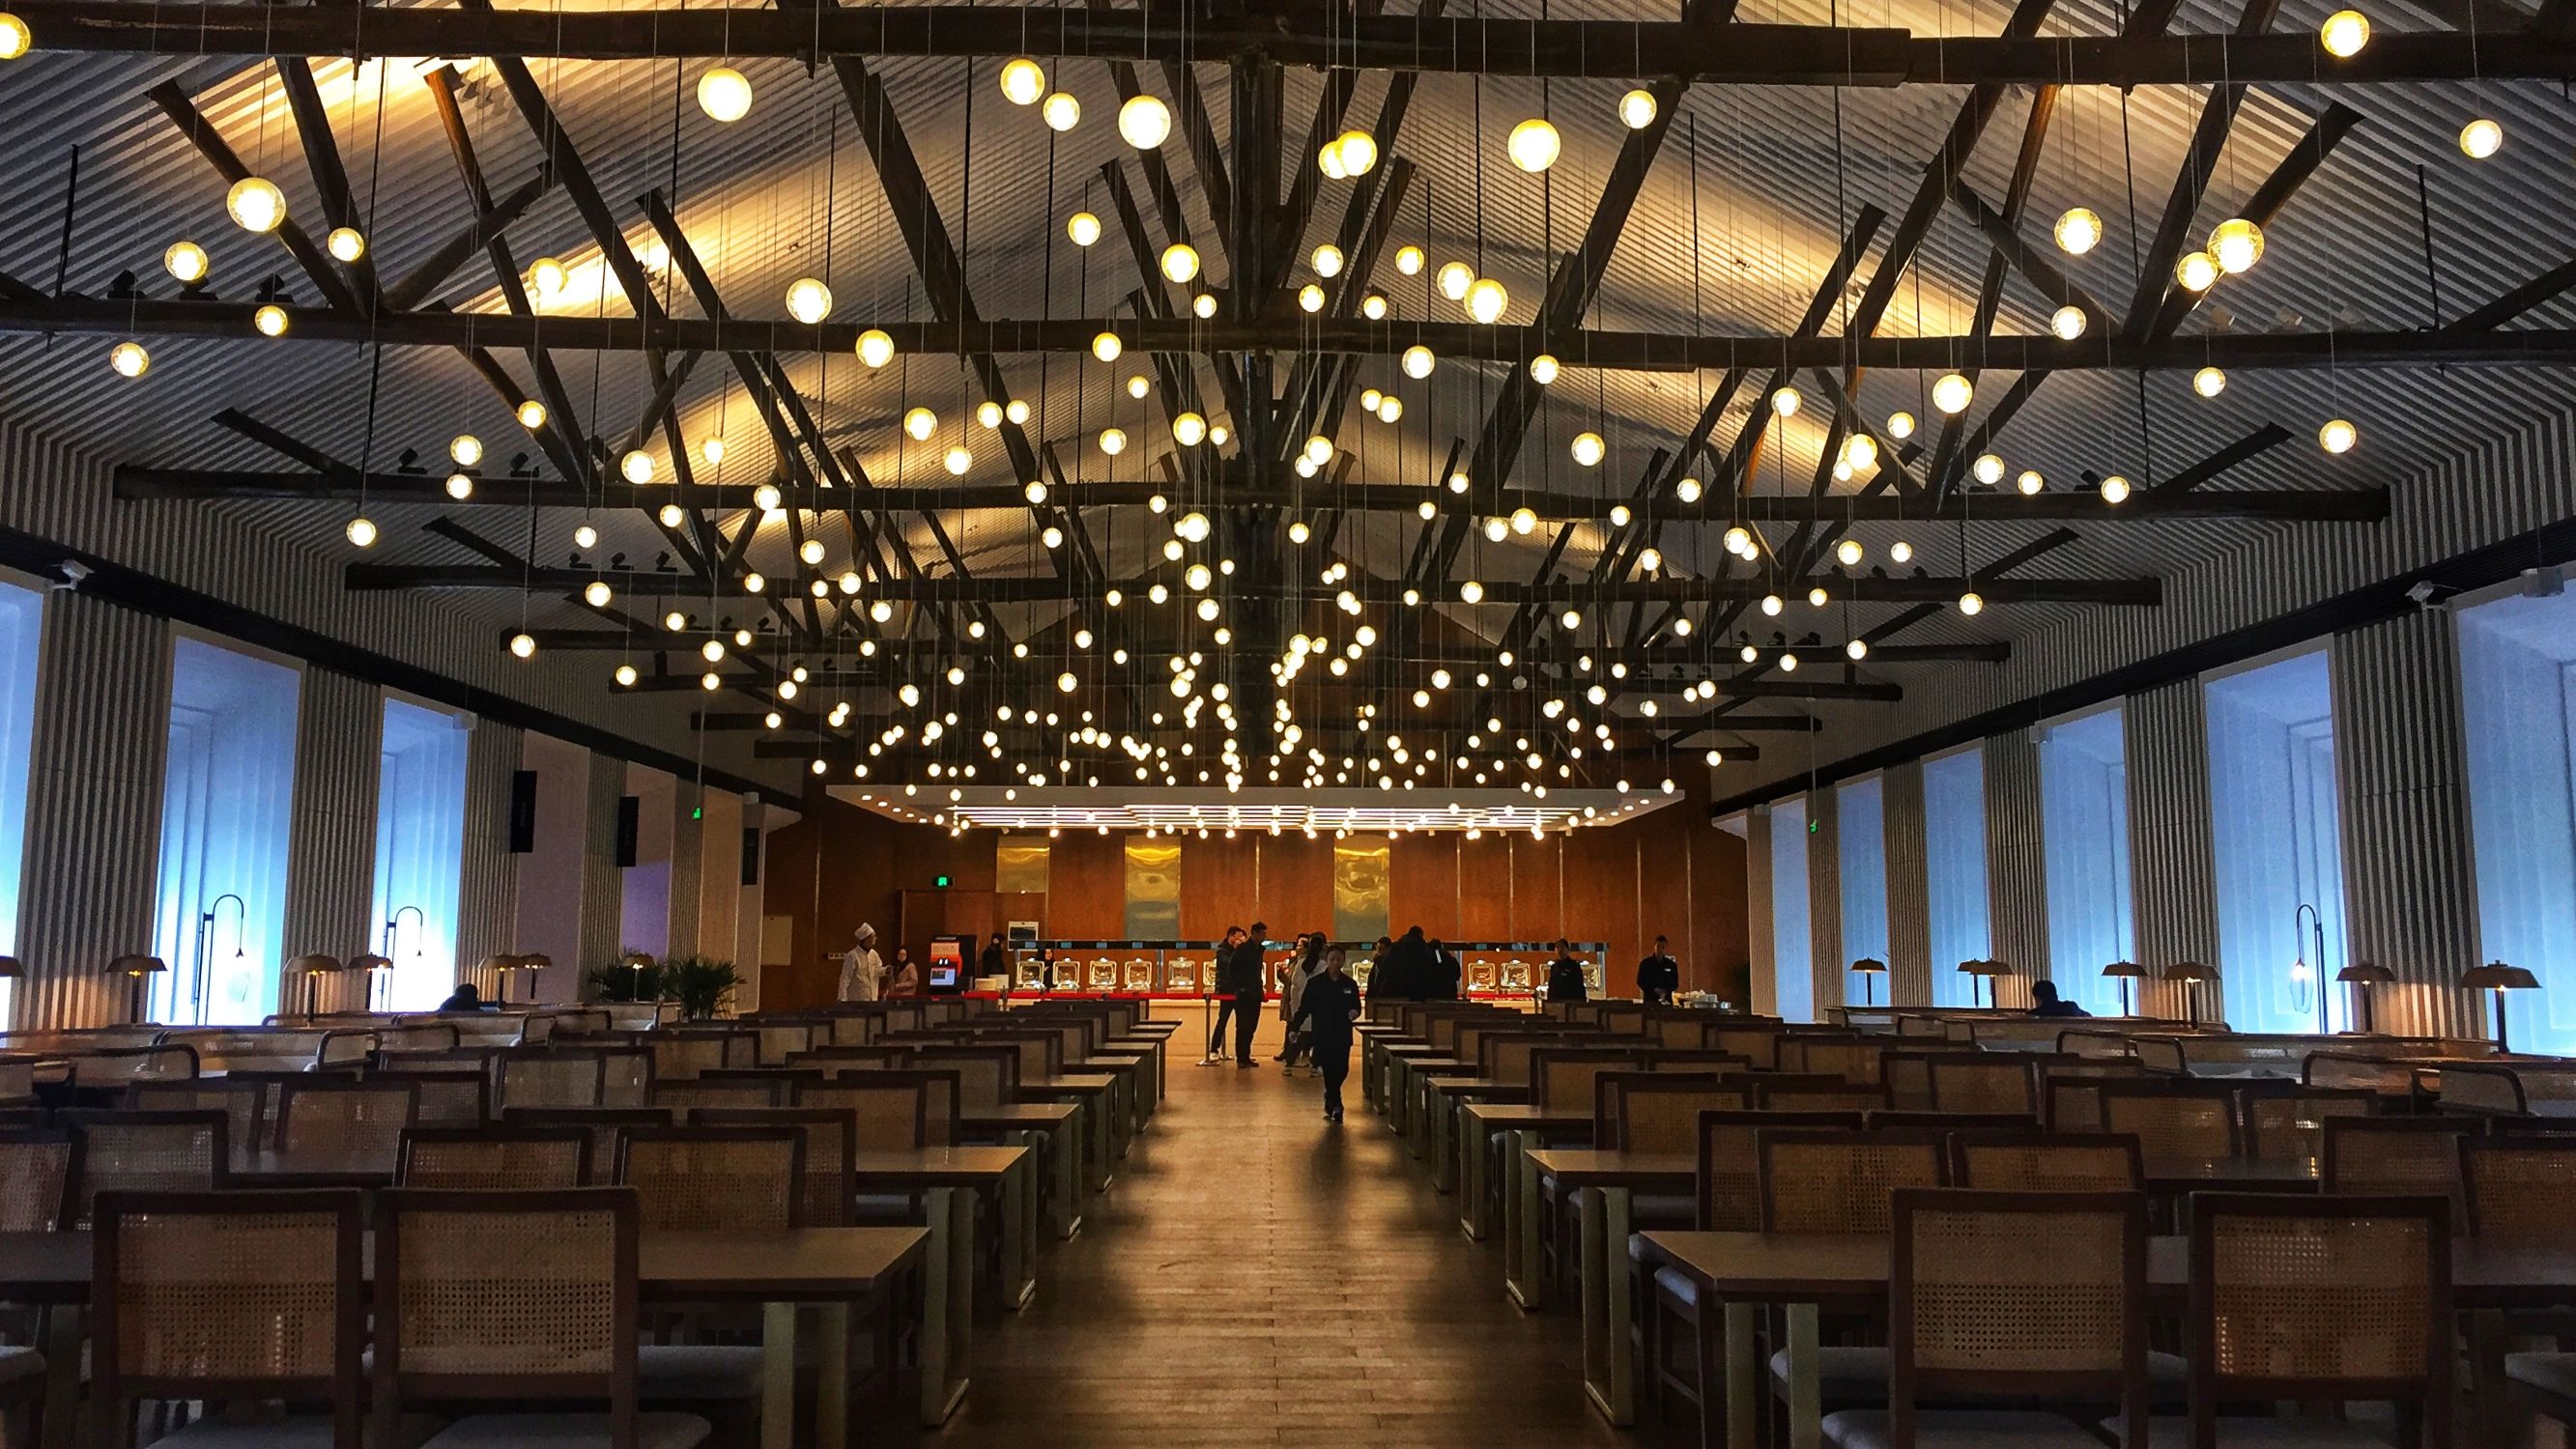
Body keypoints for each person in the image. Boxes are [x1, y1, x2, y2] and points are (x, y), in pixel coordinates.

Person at [1289, 947, 1364, 1122]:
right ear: (1327, 961)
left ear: (1343, 961)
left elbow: (1356, 1006)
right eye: (1332, 959)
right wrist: (1294, 1028)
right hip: (1322, 1033)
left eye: (1339, 959)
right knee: (1329, 1068)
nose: (1335, 963)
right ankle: (1336, 1103)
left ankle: (1331, 1095)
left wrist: (1354, 1012)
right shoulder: (1315, 983)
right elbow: (1304, 1008)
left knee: (1342, 1069)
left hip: (1342, 1032)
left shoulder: (1349, 984)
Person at [1204, 925, 1248, 1063]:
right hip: (1227, 991)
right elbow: (1229, 964)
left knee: (1243, 1023)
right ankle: (1214, 1049)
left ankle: (1243, 1053)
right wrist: (1238, 951)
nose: (1240, 940)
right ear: (1231, 937)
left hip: (1240, 991)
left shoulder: (1241, 951)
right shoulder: (1222, 951)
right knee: (1222, 1020)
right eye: (1238, 937)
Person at [1278, 933, 1325, 1066]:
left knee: (1300, 1034)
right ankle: (1305, 1060)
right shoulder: (1322, 964)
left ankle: (1291, 1061)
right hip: (1311, 1005)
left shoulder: (1300, 964)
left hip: (1300, 1003)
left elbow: (1295, 983)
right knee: (1309, 1035)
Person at [1228, 923, 1270, 1066]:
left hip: (1255, 993)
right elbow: (1232, 968)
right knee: (1243, 1026)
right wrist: (1240, 987)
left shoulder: (1259, 950)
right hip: (1245, 993)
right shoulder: (1243, 949)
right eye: (1263, 934)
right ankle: (1241, 1057)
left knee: (1252, 1026)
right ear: (1255, 933)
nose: (1264, 937)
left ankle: (1246, 1055)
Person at [1372, 925, 1434, 1002]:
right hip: (1417, 993)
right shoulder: (1424, 951)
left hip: (1395, 992)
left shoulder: (1396, 949)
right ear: (1421, 935)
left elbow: (1386, 973)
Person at [839, 924, 883, 1004]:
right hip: (857, 998)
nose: (875, 938)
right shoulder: (853, 955)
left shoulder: (874, 954)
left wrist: (887, 970)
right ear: (867, 938)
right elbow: (845, 978)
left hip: (872, 998)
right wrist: (842, 998)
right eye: (873, 936)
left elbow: (877, 970)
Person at [1638, 935, 1680, 1005]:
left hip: (1666, 1000)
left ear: (1666, 948)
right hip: (1650, 1000)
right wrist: (1654, 989)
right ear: (1654, 947)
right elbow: (1640, 981)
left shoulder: (1671, 965)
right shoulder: (1645, 964)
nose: (1660, 949)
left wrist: (1666, 991)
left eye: (1663, 947)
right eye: (1658, 946)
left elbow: (1675, 983)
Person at [1544, 939, 1589, 1006]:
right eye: (1557, 947)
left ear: (1567, 949)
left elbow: (1579, 985)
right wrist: (1549, 1000)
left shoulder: (1574, 966)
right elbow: (1551, 985)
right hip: (1556, 1001)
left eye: (1562, 947)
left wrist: (1581, 1001)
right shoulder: (1554, 967)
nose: (1560, 950)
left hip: (1570, 1000)